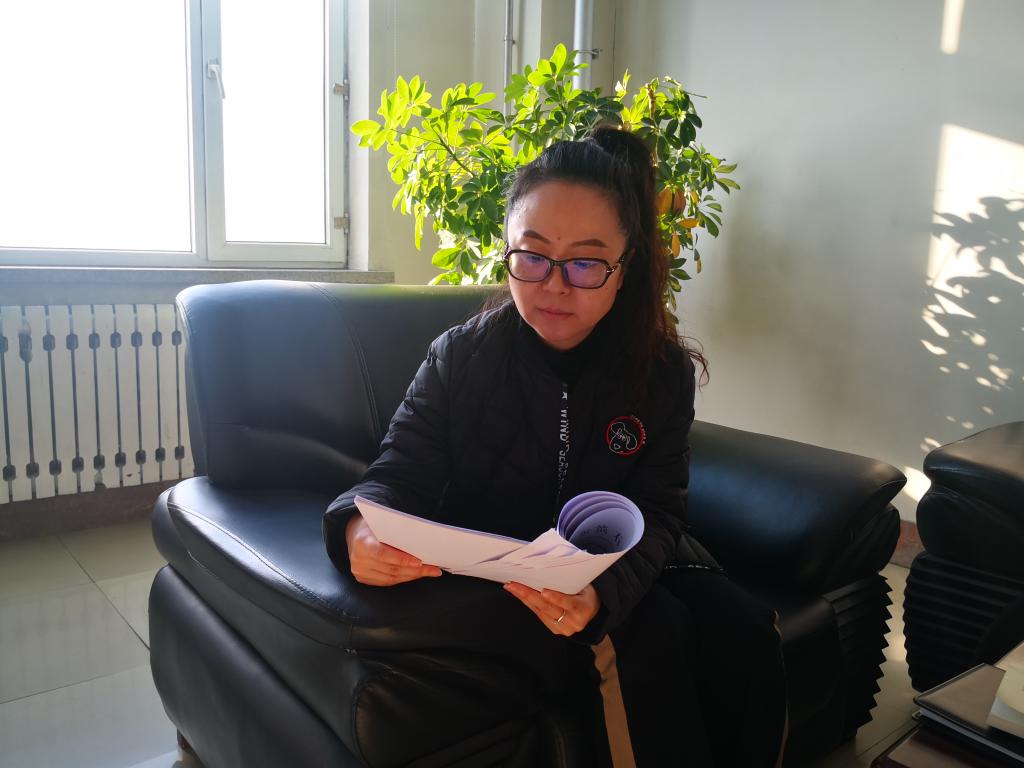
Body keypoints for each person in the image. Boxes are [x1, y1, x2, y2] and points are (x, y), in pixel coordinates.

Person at [324, 126, 787, 767]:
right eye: (533, 256)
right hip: (506, 571)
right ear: (507, 251)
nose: (554, 285)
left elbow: (660, 509)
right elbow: (397, 471)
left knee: (744, 630)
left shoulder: (661, 372)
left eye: (586, 263)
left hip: (616, 562)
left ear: (625, 268)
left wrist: (602, 593)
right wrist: (356, 529)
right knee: (647, 635)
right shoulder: (461, 357)